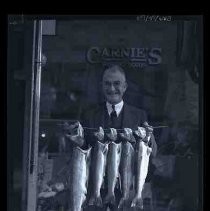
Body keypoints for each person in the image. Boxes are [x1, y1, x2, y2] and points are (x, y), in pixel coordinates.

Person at [65, 65, 157, 211]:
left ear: (125, 86)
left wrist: (148, 137)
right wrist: (79, 142)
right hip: (96, 191)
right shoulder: (89, 114)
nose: (112, 88)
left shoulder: (139, 115)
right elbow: (83, 152)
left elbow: (149, 153)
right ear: (102, 86)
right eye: (107, 83)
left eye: (117, 83)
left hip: (127, 192)